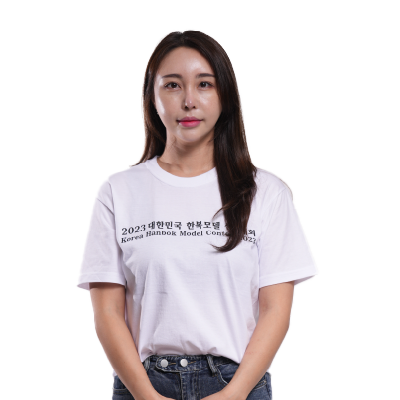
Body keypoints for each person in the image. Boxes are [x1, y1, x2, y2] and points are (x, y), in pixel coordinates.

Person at [76, 29, 319, 400]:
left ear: (225, 95)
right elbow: (107, 312)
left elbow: (276, 311)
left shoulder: (265, 193)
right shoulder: (118, 191)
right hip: (142, 384)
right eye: (172, 85)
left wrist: (234, 394)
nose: (189, 101)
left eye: (204, 84)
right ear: (152, 96)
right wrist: (146, 395)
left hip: (238, 384)